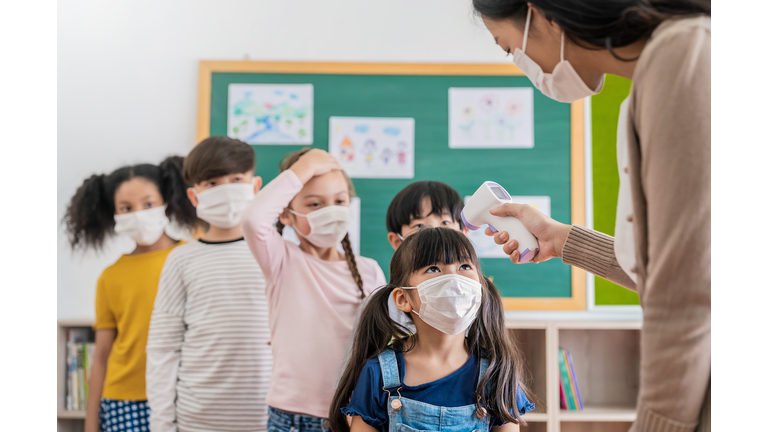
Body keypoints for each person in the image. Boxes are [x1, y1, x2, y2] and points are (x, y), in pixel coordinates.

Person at [472, 1, 711, 431]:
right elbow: (670, 274)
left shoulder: (680, 59)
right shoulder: (658, 73)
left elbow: (686, 291)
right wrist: (561, 240)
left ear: (540, 15)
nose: (521, 64)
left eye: (510, 49)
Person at [331, 228, 534, 432]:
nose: (454, 279)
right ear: (403, 299)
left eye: (464, 266)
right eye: (433, 269)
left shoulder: (496, 371)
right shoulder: (379, 373)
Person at [241, 148, 387, 432]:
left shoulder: (369, 270)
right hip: (292, 416)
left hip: (355, 414)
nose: (330, 211)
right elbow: (253, 219)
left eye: (339, 201)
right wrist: (305, 167)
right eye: (315, 204)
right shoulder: (282, 260)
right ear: (286, 214)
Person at [63, 156, 199, 432]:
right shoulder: (111, 277)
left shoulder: (194, 259)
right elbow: (101, 356)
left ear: (167, 201)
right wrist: (91, 423)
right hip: (122, 399)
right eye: (126, 208)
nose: (138, 213)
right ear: (112, 213)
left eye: (148, 204)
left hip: (184, 393)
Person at [145, 136, 271, 432]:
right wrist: (162, 425)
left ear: (255, 187)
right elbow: (163, 349)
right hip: (196, 420)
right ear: (194, 196)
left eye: (236, 179)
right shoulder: (180, 259)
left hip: (270, 419)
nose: (226, 189)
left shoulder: (276, 252)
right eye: (212, 183)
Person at [385, 180, 467, 250]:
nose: (435, 232)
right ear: (397, 242)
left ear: (463, 233)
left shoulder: (471, 268)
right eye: (419, 225)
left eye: (445, 222)